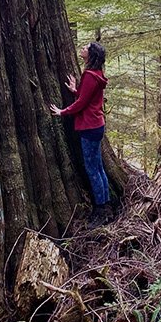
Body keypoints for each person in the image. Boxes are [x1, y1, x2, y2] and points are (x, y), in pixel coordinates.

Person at [50, 41, 113, 222]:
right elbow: (87, 97)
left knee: (93, 169)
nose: (82, 49)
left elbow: (81, 104)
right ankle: (106, 205)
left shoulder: (90, 75)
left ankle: (101, 211)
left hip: (90, 127)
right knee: (99, 168)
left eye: (86, 48)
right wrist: (75, 90)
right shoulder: (97, 74)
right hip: (96, 125)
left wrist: (63, 111)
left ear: (91, 55)